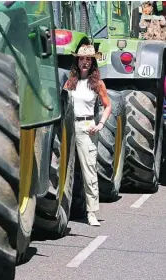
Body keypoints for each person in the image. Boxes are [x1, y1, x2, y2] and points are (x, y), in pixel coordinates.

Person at [64, 44, 111, 226]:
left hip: (86, 126)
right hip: (70, 126)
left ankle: (91, 212)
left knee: (89, 170)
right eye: (82, 59)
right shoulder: (70, 82)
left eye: (88, 59)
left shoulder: (97, 84)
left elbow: (108, 106)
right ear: (77, 61)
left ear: (93, 63)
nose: (85, 62)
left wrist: (100, 124)